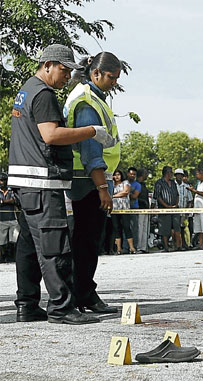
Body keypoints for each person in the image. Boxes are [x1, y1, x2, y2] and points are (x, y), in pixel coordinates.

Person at [9, 44, 115, 324]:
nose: (67, 77)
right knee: (55, 245)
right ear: (48, 65)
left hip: (24, 181)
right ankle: (61, 307)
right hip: (42, 182)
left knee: (30, 247)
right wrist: (93, 131)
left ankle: (28, 304)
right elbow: (51, 135)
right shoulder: (44, 94)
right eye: (63, 70)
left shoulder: (26, 90)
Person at [65, 51, 122, 313]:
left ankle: (83, 292)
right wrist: (102, 188)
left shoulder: (94, 97)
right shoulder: (88, 102)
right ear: (95, 73)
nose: (114, 82)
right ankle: (83, 295)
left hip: (89, 180)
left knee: (86, 242)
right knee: (86, 243)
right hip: (88, 182)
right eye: (111, 77)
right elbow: (91, 151)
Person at [154, 166, 181, 252]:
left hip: (174, 208)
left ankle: (178, 246)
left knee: (177, 228)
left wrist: (176, 205)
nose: (172, 174)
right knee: (165, 229)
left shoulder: (173, 183)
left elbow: (177, 194)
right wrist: (166, 206)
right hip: (164, 209)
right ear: (167, 173)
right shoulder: (159, 183)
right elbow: (157, 196)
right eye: (171, 172)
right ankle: (166, 247)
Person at [111, 170, 135, 254]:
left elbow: (125, 192)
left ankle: (132, 248)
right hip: (114, 209)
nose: (117, 176)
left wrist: (113, 196)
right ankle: (118, 249)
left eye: (118, 175)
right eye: (115, 175)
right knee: (116, 228)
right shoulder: (111, 184)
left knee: (126, 227)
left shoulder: (125, 182)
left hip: (124, 208)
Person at [189, 167, 203, 249]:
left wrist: (194, 191)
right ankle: (200, 244)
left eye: (197, 174)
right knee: (199, 228)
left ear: (202, 174)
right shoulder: (199, 183)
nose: (196, 176)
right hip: (198, 208)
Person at [0, 173, 19, 263]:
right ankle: (3, 257)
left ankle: (12, 257)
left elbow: (15, 200)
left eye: (3, 180)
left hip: (13, 219)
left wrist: (3, 201)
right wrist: (9, 201)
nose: (2, 182)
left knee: (14, 240)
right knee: (2, 242)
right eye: (0, 180)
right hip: (1, 220)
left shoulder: (12, 191)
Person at [174, 168, 192, 249]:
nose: (179, 176)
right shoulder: (172, 185)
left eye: (181, 175)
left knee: (183, 228)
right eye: (177, 175)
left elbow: (190, 200)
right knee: (175, 229)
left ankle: (185, 244)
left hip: (184, 211)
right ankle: (176, 245)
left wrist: (187, 211)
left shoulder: (186, 187)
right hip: (174, 211)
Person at [126, 167, 141, 253]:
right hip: (124, 208)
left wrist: (125, 193)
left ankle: (134, 247)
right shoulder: (124, 183)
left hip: (134, 208)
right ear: (128, 174)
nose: (132, 176)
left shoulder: (137, 185)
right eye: (131, 174)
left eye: (134, 174)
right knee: (125, 228)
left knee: (134, 228)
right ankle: (124, 247)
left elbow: (135, 196)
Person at [136, 168, 150, 253]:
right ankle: (138, 246)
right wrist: (143, 202)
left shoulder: (144, 185)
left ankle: (144, 247)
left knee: (145, 228)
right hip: (139, 208)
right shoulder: (136, 184)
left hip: (146, 209)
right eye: (146, 174)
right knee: (140, 228)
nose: (147, 175)